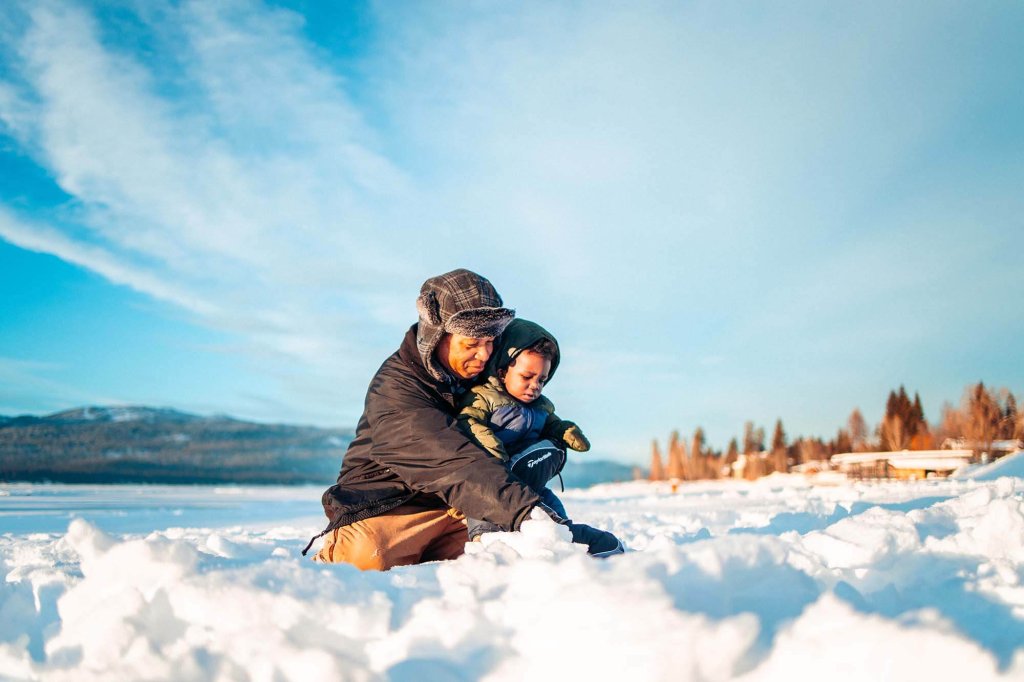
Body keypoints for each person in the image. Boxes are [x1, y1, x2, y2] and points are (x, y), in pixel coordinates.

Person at [304, 268, 623, 570]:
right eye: (471, 344)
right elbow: (453, 463)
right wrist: (529, 516)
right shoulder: (397, 390)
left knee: (509, 552)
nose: (483, 355)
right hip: (388, 507)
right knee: (367, 558)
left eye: (490, 343)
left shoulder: (482, 374)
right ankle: (334, 559)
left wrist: (545, 441)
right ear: (436, 336)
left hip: (457, 507)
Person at [457, 318, 598, 544]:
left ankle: (562, 538)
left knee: (551, 509)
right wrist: (489, 444)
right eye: (527, 377)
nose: (535, 386)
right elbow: (468, 419)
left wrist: (566, 431)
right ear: (502, 371)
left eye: (542, 379)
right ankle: (487, 543)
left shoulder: (541, 406)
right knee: (482, 504)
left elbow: (552, 423)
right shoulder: (483, 397)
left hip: (529, 482)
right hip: (492, 480)